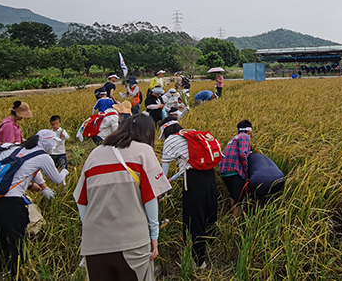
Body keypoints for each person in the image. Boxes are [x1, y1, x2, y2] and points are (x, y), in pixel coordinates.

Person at [74, 115, 171, 281]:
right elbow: (150, 199)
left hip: (94, 246)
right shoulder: (143, 151)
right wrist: (154, 237)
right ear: (147, 133)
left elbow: (81, 201)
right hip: (132, 243)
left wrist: (93, 231)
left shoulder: (94, 154)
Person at [0, 130, 68, 278]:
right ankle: (17, 273)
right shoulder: (43, 157)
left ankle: (3, 272)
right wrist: (64, 171)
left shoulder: (16, 148)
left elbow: (30, 170)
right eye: (54, 141)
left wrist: (41, 185)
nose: (54, 144)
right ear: (47, 142)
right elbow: (57, 179)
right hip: (11, 203)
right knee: (17, 240)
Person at [161, 124, 217, 269]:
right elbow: (188, 164)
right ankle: (210, 246)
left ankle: (199, 261)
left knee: (195, 217)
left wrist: (160, 192)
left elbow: (162, 173)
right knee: (208, 212)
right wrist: (172, 180)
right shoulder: (195, 136)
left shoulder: (171, 140)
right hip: (210, 175)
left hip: (193, 180)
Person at [219, 120, 252, 218]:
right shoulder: (245, 137)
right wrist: (247, 173)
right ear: (249, 131)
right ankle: (235, 227)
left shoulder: (234, 138)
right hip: (234, 171)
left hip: (224, 171)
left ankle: (232, 220)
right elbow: (243, 154)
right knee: (239, 200)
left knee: (234, 195)